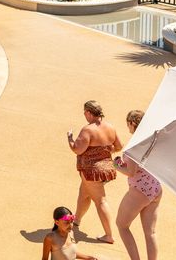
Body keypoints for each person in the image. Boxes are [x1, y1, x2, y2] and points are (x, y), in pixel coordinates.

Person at [68, 100, 122, 245]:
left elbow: (77, 149)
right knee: (84, 194)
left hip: (92, 172)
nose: (84, 115)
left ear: (89, 113)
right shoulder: (110, 127)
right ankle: (77, 220)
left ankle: (109, 235)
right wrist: (106, 150)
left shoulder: (88, 130)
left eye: (84, 112)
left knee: (100, 201)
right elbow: (118, 146)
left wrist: (70, 138)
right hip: (106, 170)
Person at [114, 109, 162, 260]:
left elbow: (131, 172)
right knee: (150, 233)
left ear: (132, 123)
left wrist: (116, 166)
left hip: (140, 190)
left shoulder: (135, 144)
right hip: (155, 188)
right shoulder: (152, 139)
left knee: (122, 225)